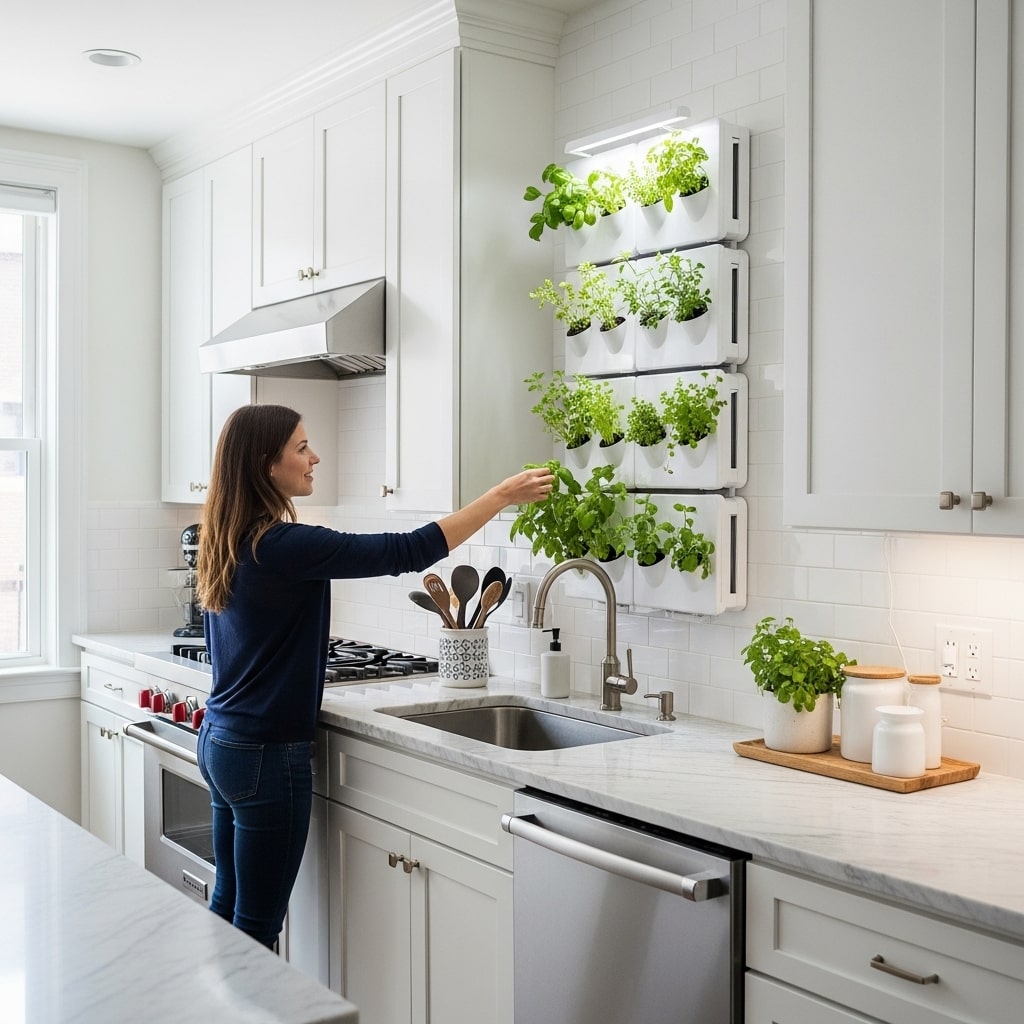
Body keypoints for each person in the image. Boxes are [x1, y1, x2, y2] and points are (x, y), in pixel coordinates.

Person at [195, 403, 553, 948]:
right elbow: (405, 550)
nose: (314, 458)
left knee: (228, 907)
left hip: (222, 741)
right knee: (257, 930)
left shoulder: (230, 537)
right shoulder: (286, 545)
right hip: (266, 755)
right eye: (301, 447)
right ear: (267, 464)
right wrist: (499, 497)